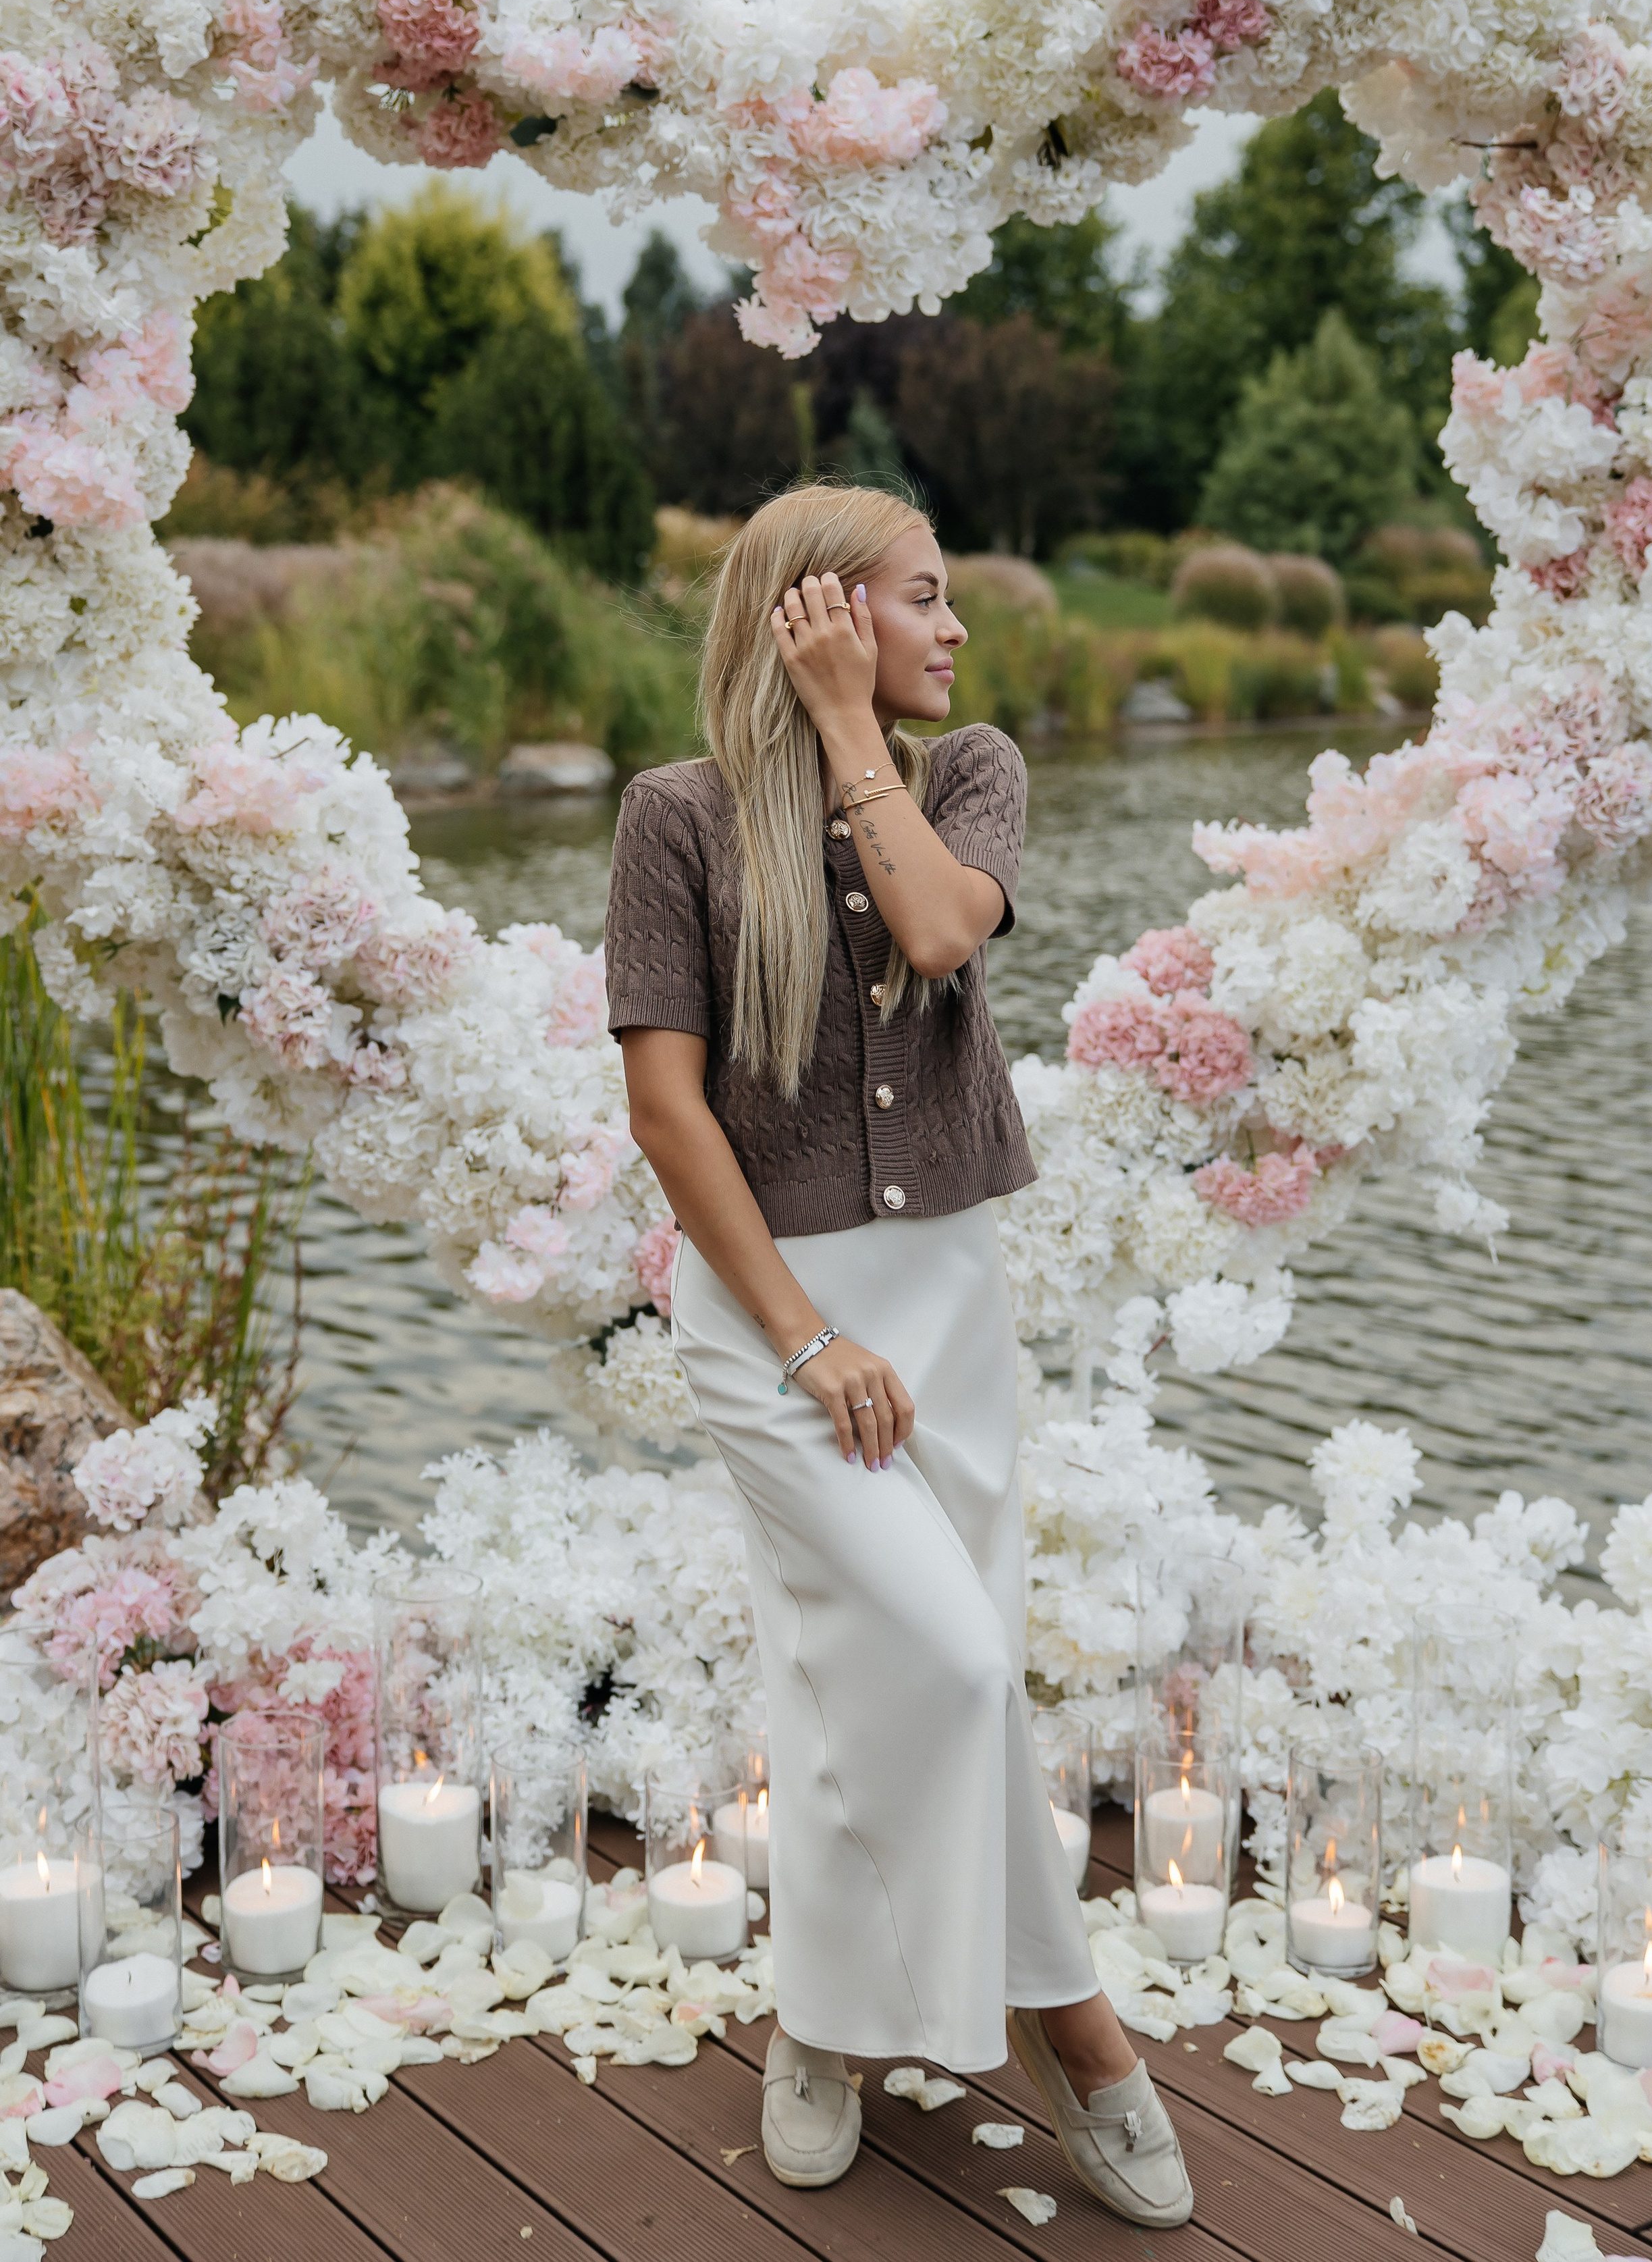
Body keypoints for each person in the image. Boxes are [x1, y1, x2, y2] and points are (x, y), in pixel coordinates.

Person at [605, 483, 1192, 2228]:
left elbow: (941, 934)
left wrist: (859, 728)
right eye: (921, 599)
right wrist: (804, 1341)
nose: (956, 629)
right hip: (777, 1313)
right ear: (819, 609)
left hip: (951, 1299)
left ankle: (824, 2023)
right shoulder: (675, 819)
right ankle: (1079, 2031)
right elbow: (663, 1104)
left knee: (902, 1673)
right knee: (943, 1661)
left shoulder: (973, 770)